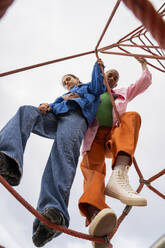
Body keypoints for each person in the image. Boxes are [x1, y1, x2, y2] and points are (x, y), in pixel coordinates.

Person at [0, 59, 106, 247]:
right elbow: (52, 106)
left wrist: (98, 66)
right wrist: (46, 105)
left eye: (69, 79)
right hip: (56, 117)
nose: (66, 83)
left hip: (75, 117)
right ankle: (8, 159)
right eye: (64, 82)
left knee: (62, 153)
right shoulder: (61, 98)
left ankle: (53, 211)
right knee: (27, 111)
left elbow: (99, 86)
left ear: (77, 79)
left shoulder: (88, 88)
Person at [78, 58, 152, 248]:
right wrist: (98, 67)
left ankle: (119, 175)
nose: (112, 78)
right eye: (109, 75)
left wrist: (143, 64)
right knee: (93, 171)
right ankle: (97, 216)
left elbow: (143, 82)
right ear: (103, 77)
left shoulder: (122, 93)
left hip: (113, 136)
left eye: (115, 77)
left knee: (131, 116)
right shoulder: (93, 91)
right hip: (93, 136)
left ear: (117, 82)